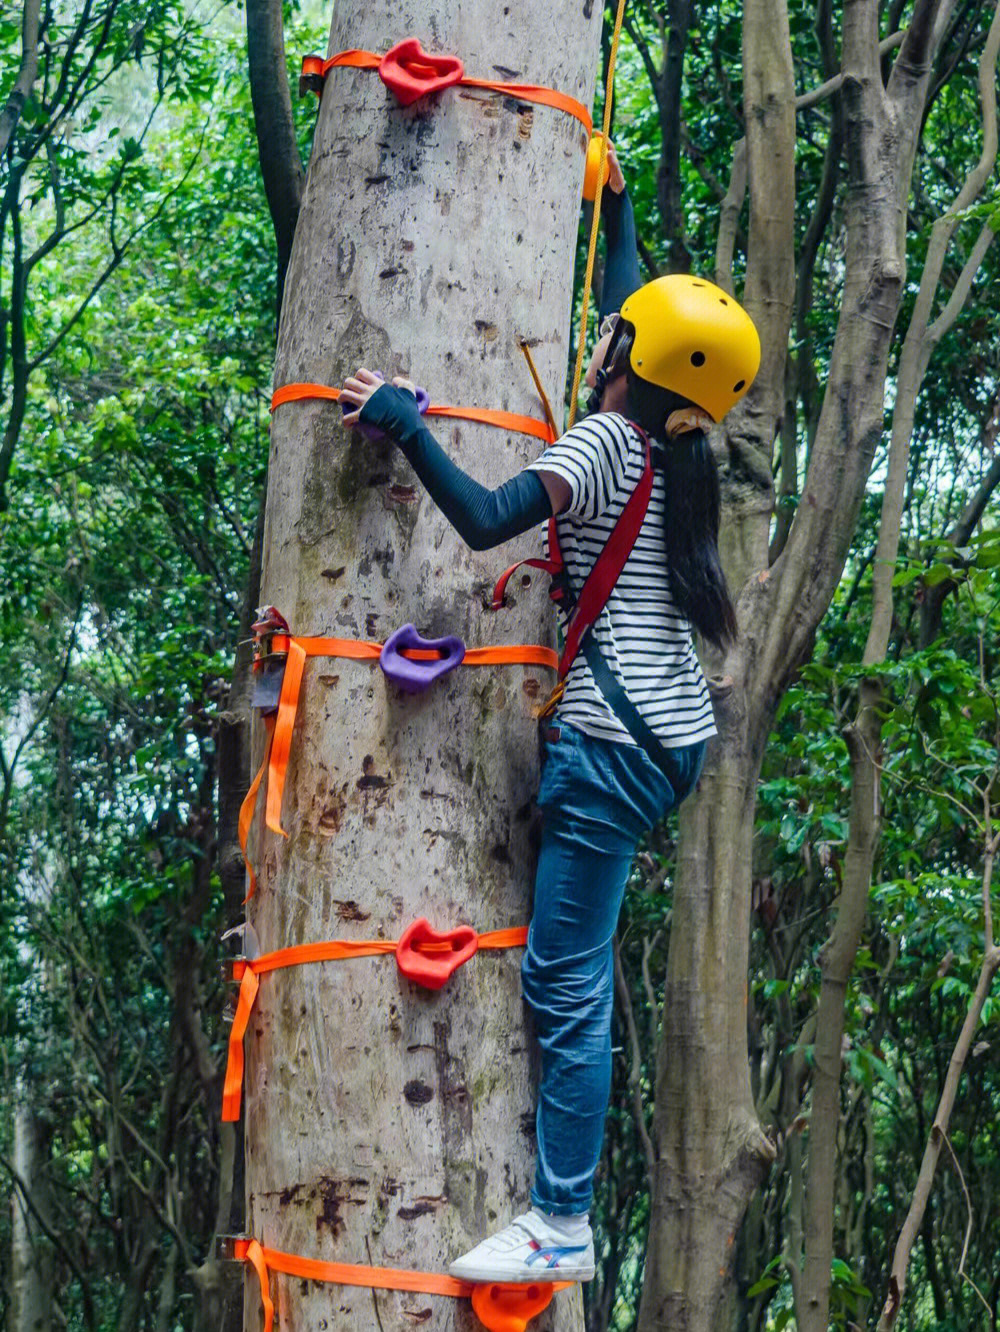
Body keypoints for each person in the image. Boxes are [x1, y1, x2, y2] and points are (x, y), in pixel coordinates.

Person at [338, 164, 761, 1284]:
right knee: (579, 960)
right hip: (669, 735)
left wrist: (405, 422)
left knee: (564, 983)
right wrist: (617, 212)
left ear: (623, 361)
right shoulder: (677, 443)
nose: (602, 337)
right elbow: (643, 324)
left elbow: (483, 522)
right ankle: (563, 1208)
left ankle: (561, 1222)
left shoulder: (600, 448)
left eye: (613, 337)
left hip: (613, 744)